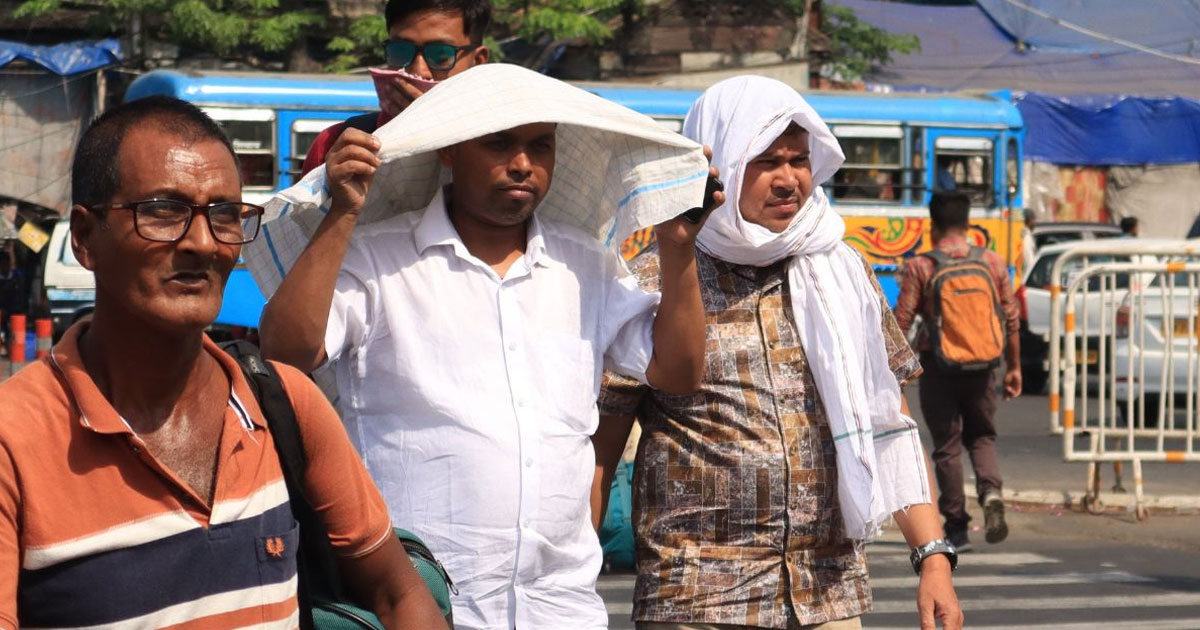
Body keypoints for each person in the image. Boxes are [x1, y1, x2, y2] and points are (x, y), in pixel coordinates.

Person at [257, 74, 719, 628]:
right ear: (449, 150)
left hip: (561, 608)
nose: (523, 163)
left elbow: (677, 372)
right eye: (499, 144)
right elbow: (286, 354)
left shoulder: (585, 264)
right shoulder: (378, 258)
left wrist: (678, 248)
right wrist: (343, 215)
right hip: (420, 606)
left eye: (540, 145)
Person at [0, 96, 447, 630]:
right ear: (85, 237)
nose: (202, 242)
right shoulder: (14, 437)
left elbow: (399, 593)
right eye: (162, 211)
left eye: (225, 215)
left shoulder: (283, 404)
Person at [597, 76, 962, 630]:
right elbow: (602, 448)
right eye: (766, 161)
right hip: (699, 599)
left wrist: (932, 558)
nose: (789, 179)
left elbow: (888, 423)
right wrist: (564, 578)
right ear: (720, 167)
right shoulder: (654, 279)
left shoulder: (843, 272)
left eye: (799, 159)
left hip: (825, 596)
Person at [894, 191, 1020, 553]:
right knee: (982, 436)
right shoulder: (992, 262)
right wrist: (1013, 367)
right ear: (968, 224)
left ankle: (957, 528)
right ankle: (991, 492)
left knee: (947, 446)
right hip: (984, 365)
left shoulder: (922, 266)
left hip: (939, 366)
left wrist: (893, 371)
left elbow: (902, 321)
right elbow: (1011, 318)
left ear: (932, 226)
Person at [299, 0, 490, 177]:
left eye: (440, 56)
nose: (418, 71)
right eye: (401, 51)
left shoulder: (499, 148)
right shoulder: (336, 145)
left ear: (478, 61)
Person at [0, 251, 25, 348]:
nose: (5, 267)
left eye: (7, 264)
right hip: (2, 309)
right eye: (3, 264)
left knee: (16, 333)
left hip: (15, 309)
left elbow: (22, 293)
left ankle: (14, 347)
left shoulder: (17, 276)